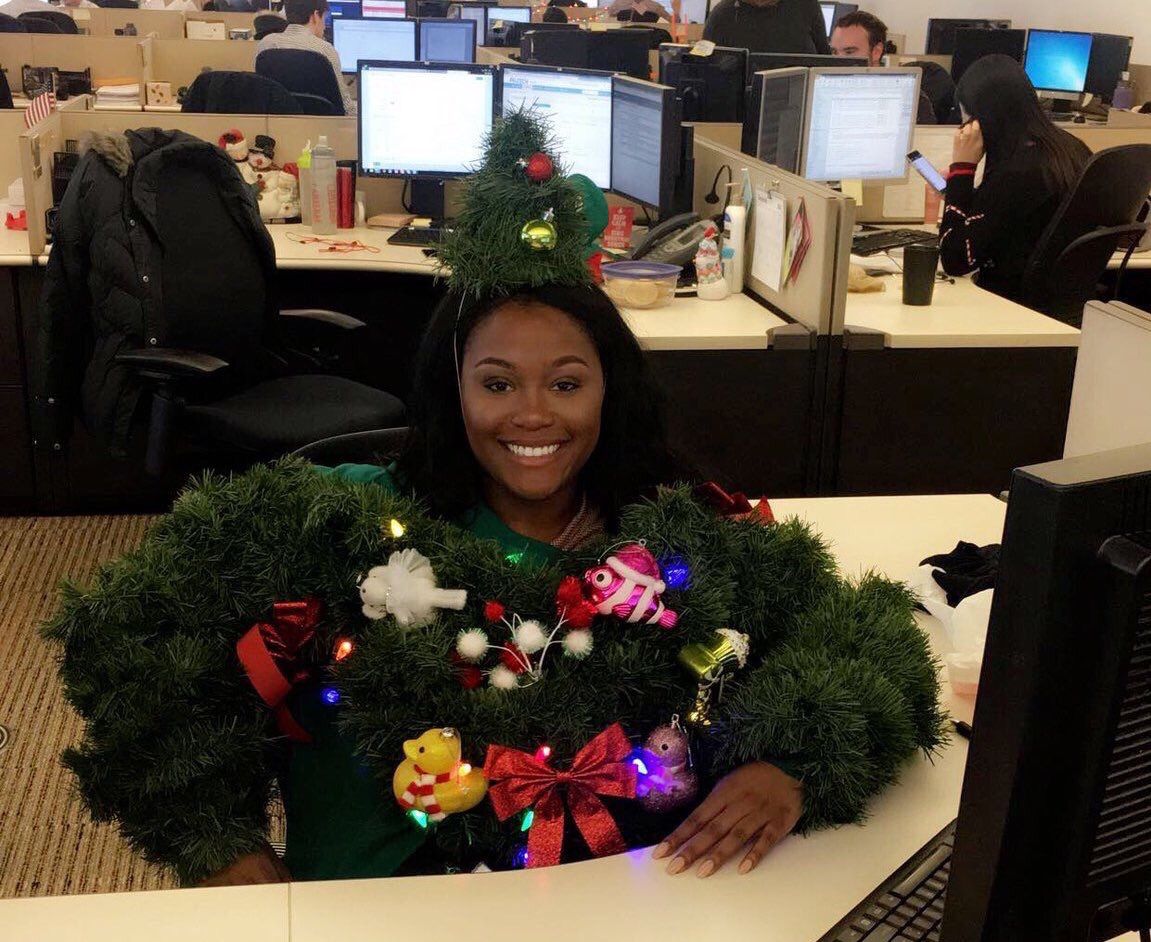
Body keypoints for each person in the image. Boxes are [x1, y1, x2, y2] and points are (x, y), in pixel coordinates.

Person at [939, 54, 1090, 303]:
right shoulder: (1070, 149)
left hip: (1014, 305)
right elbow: (1002, 214)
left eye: (966, 121)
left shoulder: (1017, 173)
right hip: (1059, 304)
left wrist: (962, 171)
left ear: (981, 120)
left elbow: (955, 259)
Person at [831, 10, 939, 124]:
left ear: (876, 51)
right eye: (834, 52)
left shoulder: (909, 98)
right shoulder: (824, 92)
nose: (838, 60)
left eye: (849, 52)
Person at [255, 0, 356, 116]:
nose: (324, 26)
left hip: (278, 123)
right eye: (324, 18)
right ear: (316, 16)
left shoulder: (266, 44)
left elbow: (261, 93)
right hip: (322, 124)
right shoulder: (324, 49)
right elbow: (345, 107)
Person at [703, 0, 830, 55]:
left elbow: (825, 61)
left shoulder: (806, 6)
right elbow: (704, 73)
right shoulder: (721, 15)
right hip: (742, 101)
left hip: (800, 99)